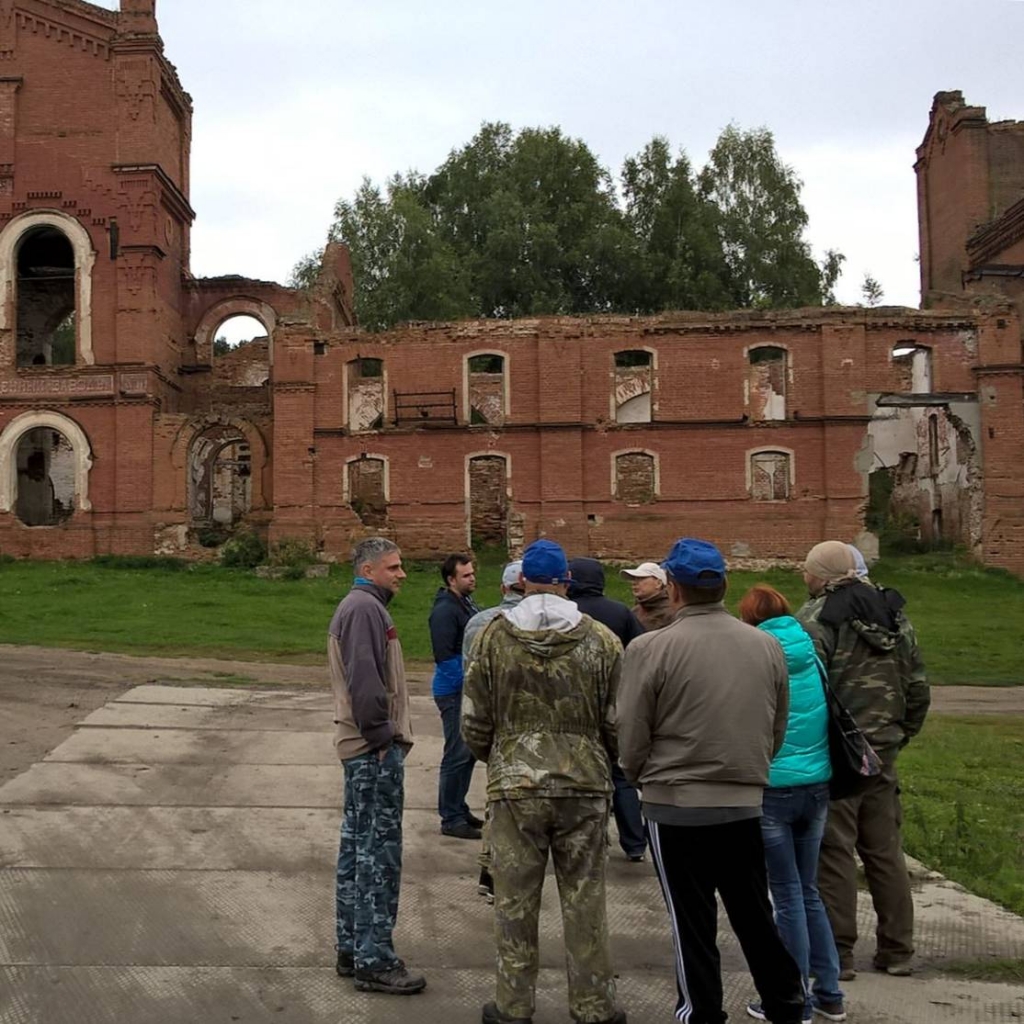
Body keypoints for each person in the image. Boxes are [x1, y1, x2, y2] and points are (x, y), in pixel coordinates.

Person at [618, 537, 805, 1024]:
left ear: (673, 589)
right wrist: (749, 770)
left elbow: (633, 728)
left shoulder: (650, 647)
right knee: (754, 914)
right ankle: (787, 1003)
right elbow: (777, 723)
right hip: (742, 799)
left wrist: (636, 775)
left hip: (674, 802)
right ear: (723, 584)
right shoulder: (766, 645)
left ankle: (701, 1011)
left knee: (690, 920)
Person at [463, 539, 627, 1024]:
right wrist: (600, 757)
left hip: (516, 785)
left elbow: (473, 718)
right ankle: (594, 1006)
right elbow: (618, 720)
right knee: (585, 898)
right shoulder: (601, 639)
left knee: (514, 900)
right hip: (585, 783)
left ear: (520, 582)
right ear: (566, 581)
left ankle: (513, 1006)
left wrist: (499, 757)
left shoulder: (492, 636)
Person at [797, 540, 929, 981]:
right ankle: (898, 949)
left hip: (837, 750)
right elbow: (917, 686)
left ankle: (839, 953)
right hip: (883, 748)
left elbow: (806, 688)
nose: (804, 576)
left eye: (808, 570)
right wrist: (899, 735)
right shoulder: (894, 614)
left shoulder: (816, 619)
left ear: (821, 575)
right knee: (885, 851)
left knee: (833, 851)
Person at [738, 584, 846, 1024]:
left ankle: (790, 997)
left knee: (783, 896)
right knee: (808, 892)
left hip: (774, 786)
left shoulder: (758, 658)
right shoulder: (812, 653)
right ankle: (830, 994)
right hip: (818, 784)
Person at [328, 537, 425, 995]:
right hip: (372, 751)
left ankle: (351, 948)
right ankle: (375, 960)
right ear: (368, 570)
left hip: (361, 748)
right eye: (394, 567)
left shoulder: (358, 606)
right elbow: (366, 681)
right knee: (378, 856)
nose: (401, 574)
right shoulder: (365, 609)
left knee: (357, 849)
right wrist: (383, 736)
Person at [567, 556, 647, 862]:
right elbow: (641, 649)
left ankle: (586, 841)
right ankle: (635, 842)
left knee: (578, 775)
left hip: (575, 706)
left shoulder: (568, 613)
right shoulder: (620, 613)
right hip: (616, 703)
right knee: (621, 776)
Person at [462, 560, 525, 904]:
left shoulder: (480, 623)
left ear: (504, 588)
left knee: (498, 806)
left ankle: (493, 874)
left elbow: (471, 683)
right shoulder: (565, 623)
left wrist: (480, 741)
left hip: (500, 732)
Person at [429, 552, 483, 840]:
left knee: (468, 754)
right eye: (466, 575)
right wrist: (467, 687)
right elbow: (445, 657)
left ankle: (459, 808)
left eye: (472, 573)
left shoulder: (464, 603)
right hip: (453, 691)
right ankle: (450, 818)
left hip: (464, 688)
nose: (472, 578)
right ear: (451, 580)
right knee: (457, 753)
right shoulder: (445, 611)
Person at [620, 561, 674, 631]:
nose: (634, 583)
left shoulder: (670, 613)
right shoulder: (635, 611)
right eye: (634, 579)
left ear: (658, 583)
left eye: (641, 578)